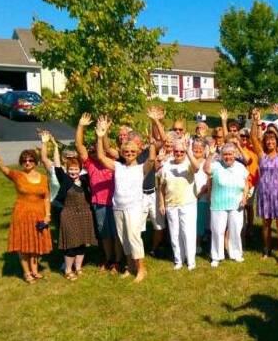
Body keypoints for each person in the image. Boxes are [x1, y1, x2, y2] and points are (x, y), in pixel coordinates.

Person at [95, 116, 156, 283]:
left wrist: (152, 144)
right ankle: (130, 267)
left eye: (132, 152)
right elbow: (101, 157)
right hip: (118, 208)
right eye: (126, 152)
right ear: (122, 153)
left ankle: (141, 269)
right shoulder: (118, 167)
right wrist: (100, 136)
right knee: (124, 239)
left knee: (134, 238)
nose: (129, 154)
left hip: (133, 208)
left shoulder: (141, 168)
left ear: (137, 152)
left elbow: (151, 160)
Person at [0, 144, 52, 284]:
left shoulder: (44, 178)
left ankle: (35, 271)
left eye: (30, 160)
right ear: (21, 162)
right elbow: (4, 169)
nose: (27, 162)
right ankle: (27, 273)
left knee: (36, 243)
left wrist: (47, 215)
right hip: (22, 215)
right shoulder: (18, 175)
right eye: (24, 160)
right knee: (23, 244)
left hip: (39, 215)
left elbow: (46, 198)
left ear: (35, 162)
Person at [40, 131, 96, 280]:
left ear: (80, 170)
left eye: (75, 169)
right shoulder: (64, 179)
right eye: (71, 169)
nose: (73, 172)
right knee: (71, 244)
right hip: (68, 214)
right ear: (67, 170)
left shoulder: (84, 179)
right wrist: (54, 146)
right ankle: (68, 270)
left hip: (83, 214)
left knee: (82, 243)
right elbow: (57, 165)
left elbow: (91, 165)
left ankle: (78, 268)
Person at [75, 113, 122, 272]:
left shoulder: (112, 161)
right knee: (105, 234)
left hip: (115, 203)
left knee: (117, 234)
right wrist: (81, 126)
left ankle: (118, 261)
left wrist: (103, 132)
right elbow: (79, 146)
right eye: (93, 149)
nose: (95, 151)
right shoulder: (90, 163)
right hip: (99, 204)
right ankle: (109, 259)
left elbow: (106, 147)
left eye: (97, 148)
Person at [250, 106, 278, 265]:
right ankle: (266, 249)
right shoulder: (261, 155)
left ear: (276, 140)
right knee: (266, 223)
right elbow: (253, 137)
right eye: (267, 139)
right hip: (265, 192)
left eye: (272, 139)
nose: (270, 142)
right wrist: (255, 120)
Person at [203, 142, 249, 267]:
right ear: (222, 155)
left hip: (237, 204)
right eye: (225, 154)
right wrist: (210, 154)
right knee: (218, 230)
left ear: (235, 155)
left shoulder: (240, 167)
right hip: (218, 203)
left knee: (235, 229)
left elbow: (246, 183)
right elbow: (206, 169)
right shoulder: (216, 165)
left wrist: (244, 196)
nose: (228, 157)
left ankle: (236, 253)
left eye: (230, 154)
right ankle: (216, 256)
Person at [158, 139, 202, 270]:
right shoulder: (167, 165)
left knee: (188, 232)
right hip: (171, 203)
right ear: (173, 151)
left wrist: (188, 151)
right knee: (174, 233)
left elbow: (197, 168)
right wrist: (161, 203)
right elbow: (161, 186)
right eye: (176, 151)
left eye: (181, 152)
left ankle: (191, 261)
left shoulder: (189, 163)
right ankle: (178, 260)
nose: (179, 153)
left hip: (187, 203)